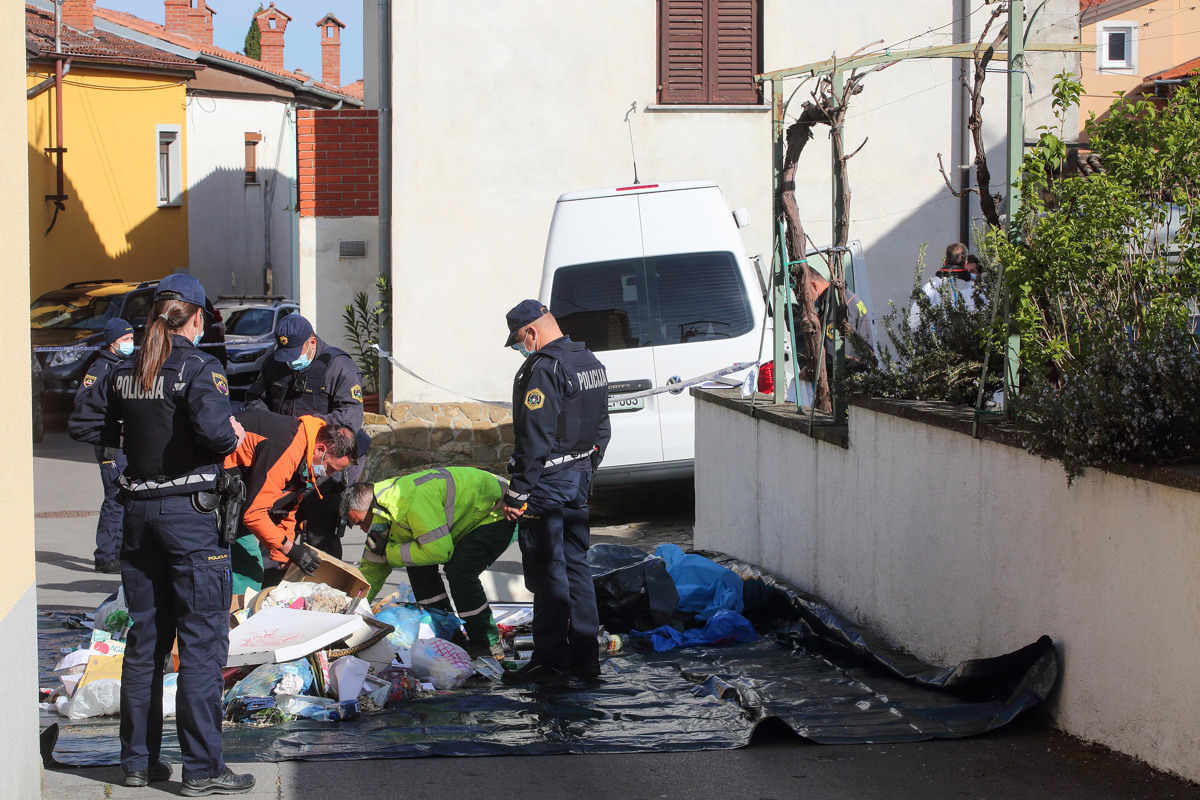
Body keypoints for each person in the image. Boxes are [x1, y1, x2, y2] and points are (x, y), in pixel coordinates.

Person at [68, 273, 255, 795]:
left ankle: (137, 763)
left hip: (137, 517)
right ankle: (203, 770)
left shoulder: (124, 366)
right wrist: (229, 432)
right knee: (201, 644)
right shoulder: (198, 366)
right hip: (190, 520)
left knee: (145, 643)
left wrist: (128, 435)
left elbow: (84, 426)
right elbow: (219, 435)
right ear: (195, 316)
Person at [499, 300, 610, 686]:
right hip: (578, 478)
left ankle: (551, 660)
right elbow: (603, 429)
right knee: (578, 570)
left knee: (548, 574)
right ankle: (585, 659)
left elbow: (535, 437)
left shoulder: (546, 368)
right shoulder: (589, 361)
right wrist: (586, 473)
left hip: (547, 484)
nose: (520, 348)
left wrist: (518, 494)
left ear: (531, 332)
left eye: (518, 341)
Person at [342, 468, 518, 659]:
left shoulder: (410, 502)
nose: (364, 529)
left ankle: (487, 645)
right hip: (466, 517)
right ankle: (452, 639)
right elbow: (372, 572)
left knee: (460, 572)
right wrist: (349, 611)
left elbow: (439, 551)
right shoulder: (382, 516)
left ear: (373, 509)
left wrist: (390, 554)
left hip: (498, 510)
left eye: (362, 522)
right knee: (418, 569)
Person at [243, 314, 365, 560]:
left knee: (319, 539)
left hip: (324, 466)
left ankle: (324, 594)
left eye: (295, 352)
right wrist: (274, 426)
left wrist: (302, 428)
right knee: (275, 534)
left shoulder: (339, 367)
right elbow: (254, 400)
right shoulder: (275, 362)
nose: (290, 360)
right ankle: (276, 591)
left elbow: (349, 420)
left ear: (311, 341)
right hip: (285, 461)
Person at [223, 409, 357, 593]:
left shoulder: (306, 450)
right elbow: (253, 513)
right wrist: (290, 549)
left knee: (254, 569)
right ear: (320, 449)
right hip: (219, 493)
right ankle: (237, 617)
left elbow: (286, 508)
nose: (329, 475)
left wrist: (286, 558)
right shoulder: (287, 446)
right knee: (248, 571)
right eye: (330, 468)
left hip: (238, 495)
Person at [68, 318, 135, 573]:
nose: (130, 344)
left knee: (124, 496)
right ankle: (106, 555)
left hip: (122, 442)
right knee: (115, 498)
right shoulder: (101, 369)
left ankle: (117, 551)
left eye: (131, 339)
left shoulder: (121, 365)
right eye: (125, 340)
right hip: (110, 445)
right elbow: (84, 401)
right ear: (112, 343)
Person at [793, 271, 875, 381]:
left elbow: (837, 358)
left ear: (814, 286)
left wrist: (809, 372)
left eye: (802, 295)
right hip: (860, 376)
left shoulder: (836, 306)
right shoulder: (845, 296)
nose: (802, 300)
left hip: (852, 382)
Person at [908, 242, 977, 328]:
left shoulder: (930, 287)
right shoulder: (976, 287)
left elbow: (914, 322)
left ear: (945, 262)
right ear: (966, 263)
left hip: (936, 340)